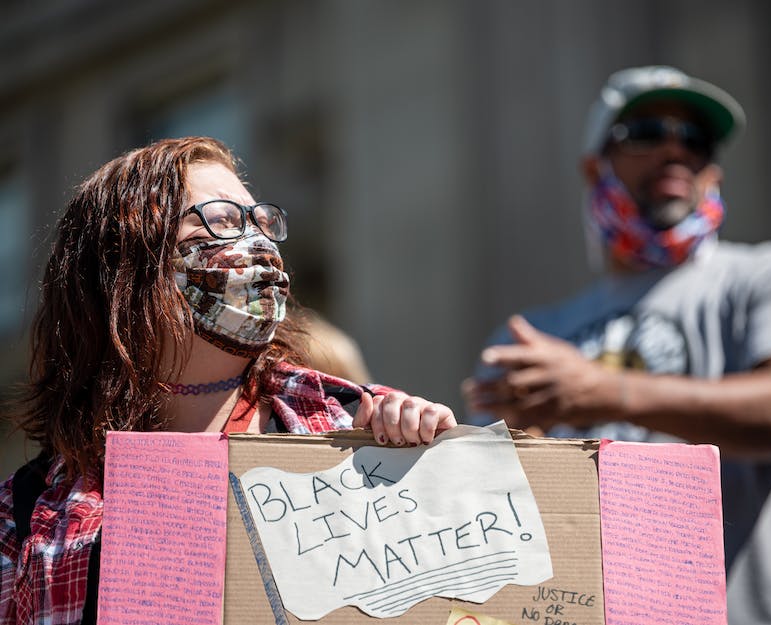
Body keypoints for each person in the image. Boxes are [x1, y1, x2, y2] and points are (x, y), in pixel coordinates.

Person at [464, 66, 771, 625]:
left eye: (695, 140)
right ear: (593, 167)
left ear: (713, 170)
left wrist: (602, 392)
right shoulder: (532, 334)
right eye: (646, 132)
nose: (674, 150)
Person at [0, 136, 457, 624]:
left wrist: (438, 453)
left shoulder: (360, 428)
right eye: (221, 221)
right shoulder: (25, 515)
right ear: (124, 263)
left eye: (261, 222)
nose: (257, 242)